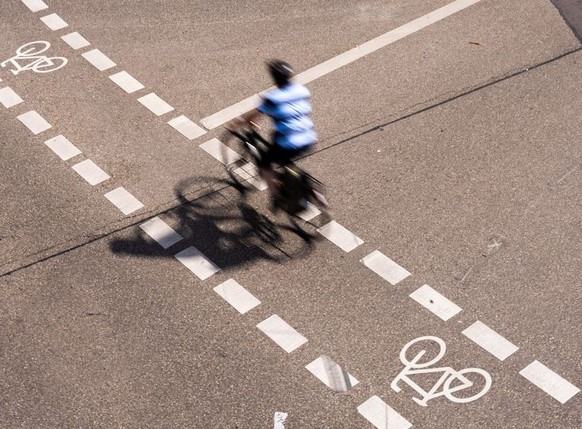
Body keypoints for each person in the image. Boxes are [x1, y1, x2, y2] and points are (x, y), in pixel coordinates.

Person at [226, 60, 317, 203]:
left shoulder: (273, 98)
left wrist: (235, 124)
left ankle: (276, 196)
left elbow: (251, 116)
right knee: (278, 147)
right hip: (309, 137)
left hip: (289, 142)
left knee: (264, 164)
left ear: (275, 79)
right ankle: (311, 190)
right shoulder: (302, 90)